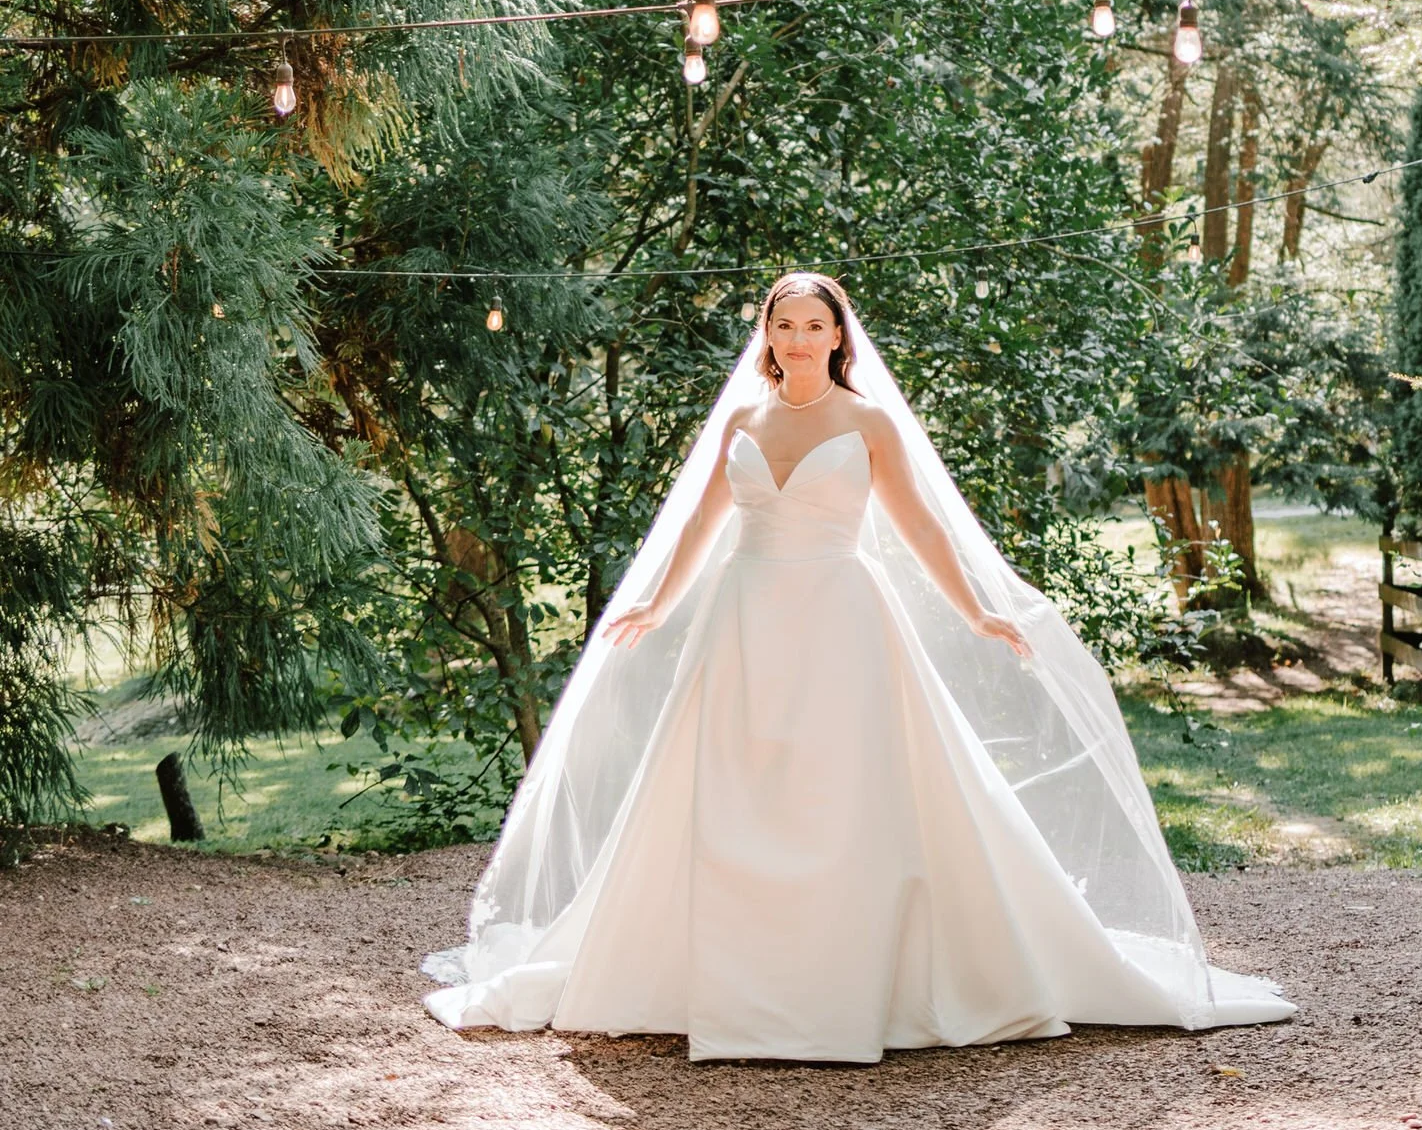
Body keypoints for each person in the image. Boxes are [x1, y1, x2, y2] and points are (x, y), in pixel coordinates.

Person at [424, 273, 1293, 1060]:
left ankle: (856, 975)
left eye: (814, 325)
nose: (799, 339)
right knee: (733, 785)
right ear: (766, 334)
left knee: (845, 789)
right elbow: (702, 526)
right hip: (745, 617)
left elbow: (921, 527)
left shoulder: (867, 421)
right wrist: (654, 601)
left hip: (842, 621)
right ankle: (729, 975)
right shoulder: (743, 421)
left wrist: (978, 609)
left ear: (840, 336)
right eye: (784, 325)